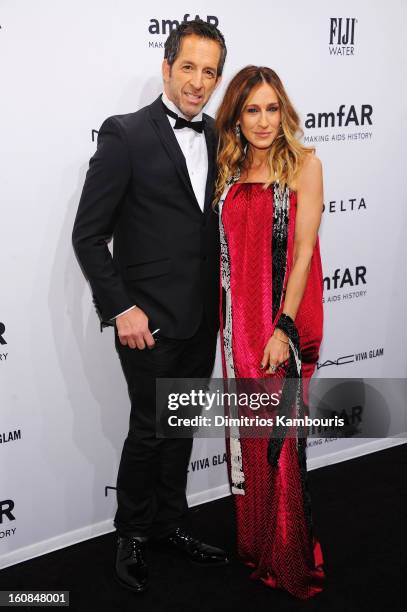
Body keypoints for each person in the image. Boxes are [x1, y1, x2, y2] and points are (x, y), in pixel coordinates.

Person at [72, 20, 229, 593]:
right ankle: (132, 536)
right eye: (188, 67)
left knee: (180, 426)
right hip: (147, 324)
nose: (197, 81)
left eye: (209, 71)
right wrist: (121, 310)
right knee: (149, 430)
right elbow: (89, 235)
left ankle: (170, 525)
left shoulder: (219, 135)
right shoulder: (126, 134)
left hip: (201, 317)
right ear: (166, 69)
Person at [215, 66, 325, 599]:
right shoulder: (228, 169)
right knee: (252, 441)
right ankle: (257, 544)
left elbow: (303, 251)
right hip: (237, 326)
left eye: (272, 108)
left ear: (284, 111)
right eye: (252, 110)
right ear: (237, 115)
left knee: (281, 445)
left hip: (280, 324)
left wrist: (284, 327)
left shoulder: (304, 164)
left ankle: (289, 558)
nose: (263, 121)